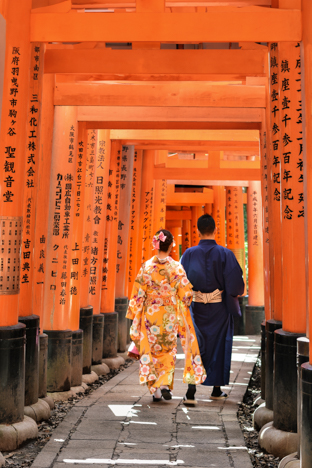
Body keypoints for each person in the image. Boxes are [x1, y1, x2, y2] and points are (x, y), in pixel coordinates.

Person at [126, 229, 206, 402]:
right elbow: (186, 292)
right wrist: (185, 300)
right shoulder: (176, 267)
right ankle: (164, 386)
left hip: (150, 315)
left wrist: (135, 314)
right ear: (171, 246)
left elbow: (137, 294)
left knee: (151, 350)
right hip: (169, 315)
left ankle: (155, 391)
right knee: (168, 350)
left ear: (156, 244)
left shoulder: (146, 267)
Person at [181, 214, 244, 404]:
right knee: (220, 345)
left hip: (196, 308)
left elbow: (181, 283)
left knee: (196, 346)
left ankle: (191, 389)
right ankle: (216, 389)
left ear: (198, 231)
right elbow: (236, 285)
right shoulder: (226, 254)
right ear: (215, 230)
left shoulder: (189, 254)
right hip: (219, 308)